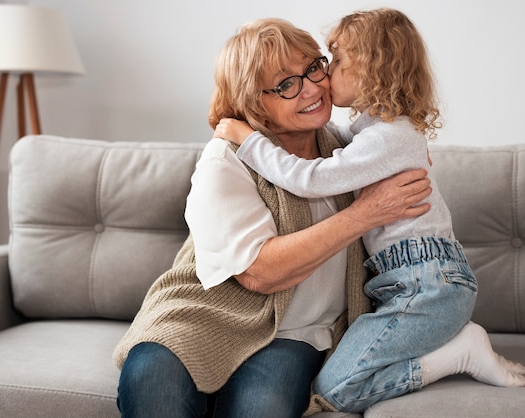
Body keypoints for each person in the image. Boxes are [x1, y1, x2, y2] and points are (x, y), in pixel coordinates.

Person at [112, 17, 434, 418]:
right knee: (152, 382)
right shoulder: (226, 160)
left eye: (314, 67)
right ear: (252, 101)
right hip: (206, 316)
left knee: (263, 407)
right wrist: (363, 215)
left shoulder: (348, 150)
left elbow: (401, 153)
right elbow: (260, 273)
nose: (313, 87)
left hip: (296, 334)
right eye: (285, 84)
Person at [214, 8, 525, 414]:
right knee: (335, 382)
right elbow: (337, 143)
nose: (325, 75)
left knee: (336, 389)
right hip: (415, 280)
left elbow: (310, 178)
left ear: (372, 71)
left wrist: (248, 139)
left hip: (425, 284)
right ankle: (457, 346)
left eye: (337, 60)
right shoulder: (377, 132)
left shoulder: (389, 137)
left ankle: (460, 353)